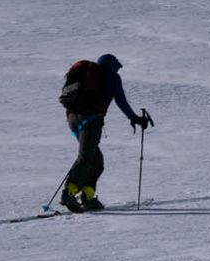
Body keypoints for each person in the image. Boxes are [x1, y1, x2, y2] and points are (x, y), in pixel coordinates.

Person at [58, 53, 151, 212]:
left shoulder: (86, 76)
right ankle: (69, 193)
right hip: (91, 121)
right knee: (86, 157)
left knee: (96, 161)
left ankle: (87, 195)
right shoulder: (112, 77)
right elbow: (121, 101)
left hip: (72, 119)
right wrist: (135, 118)